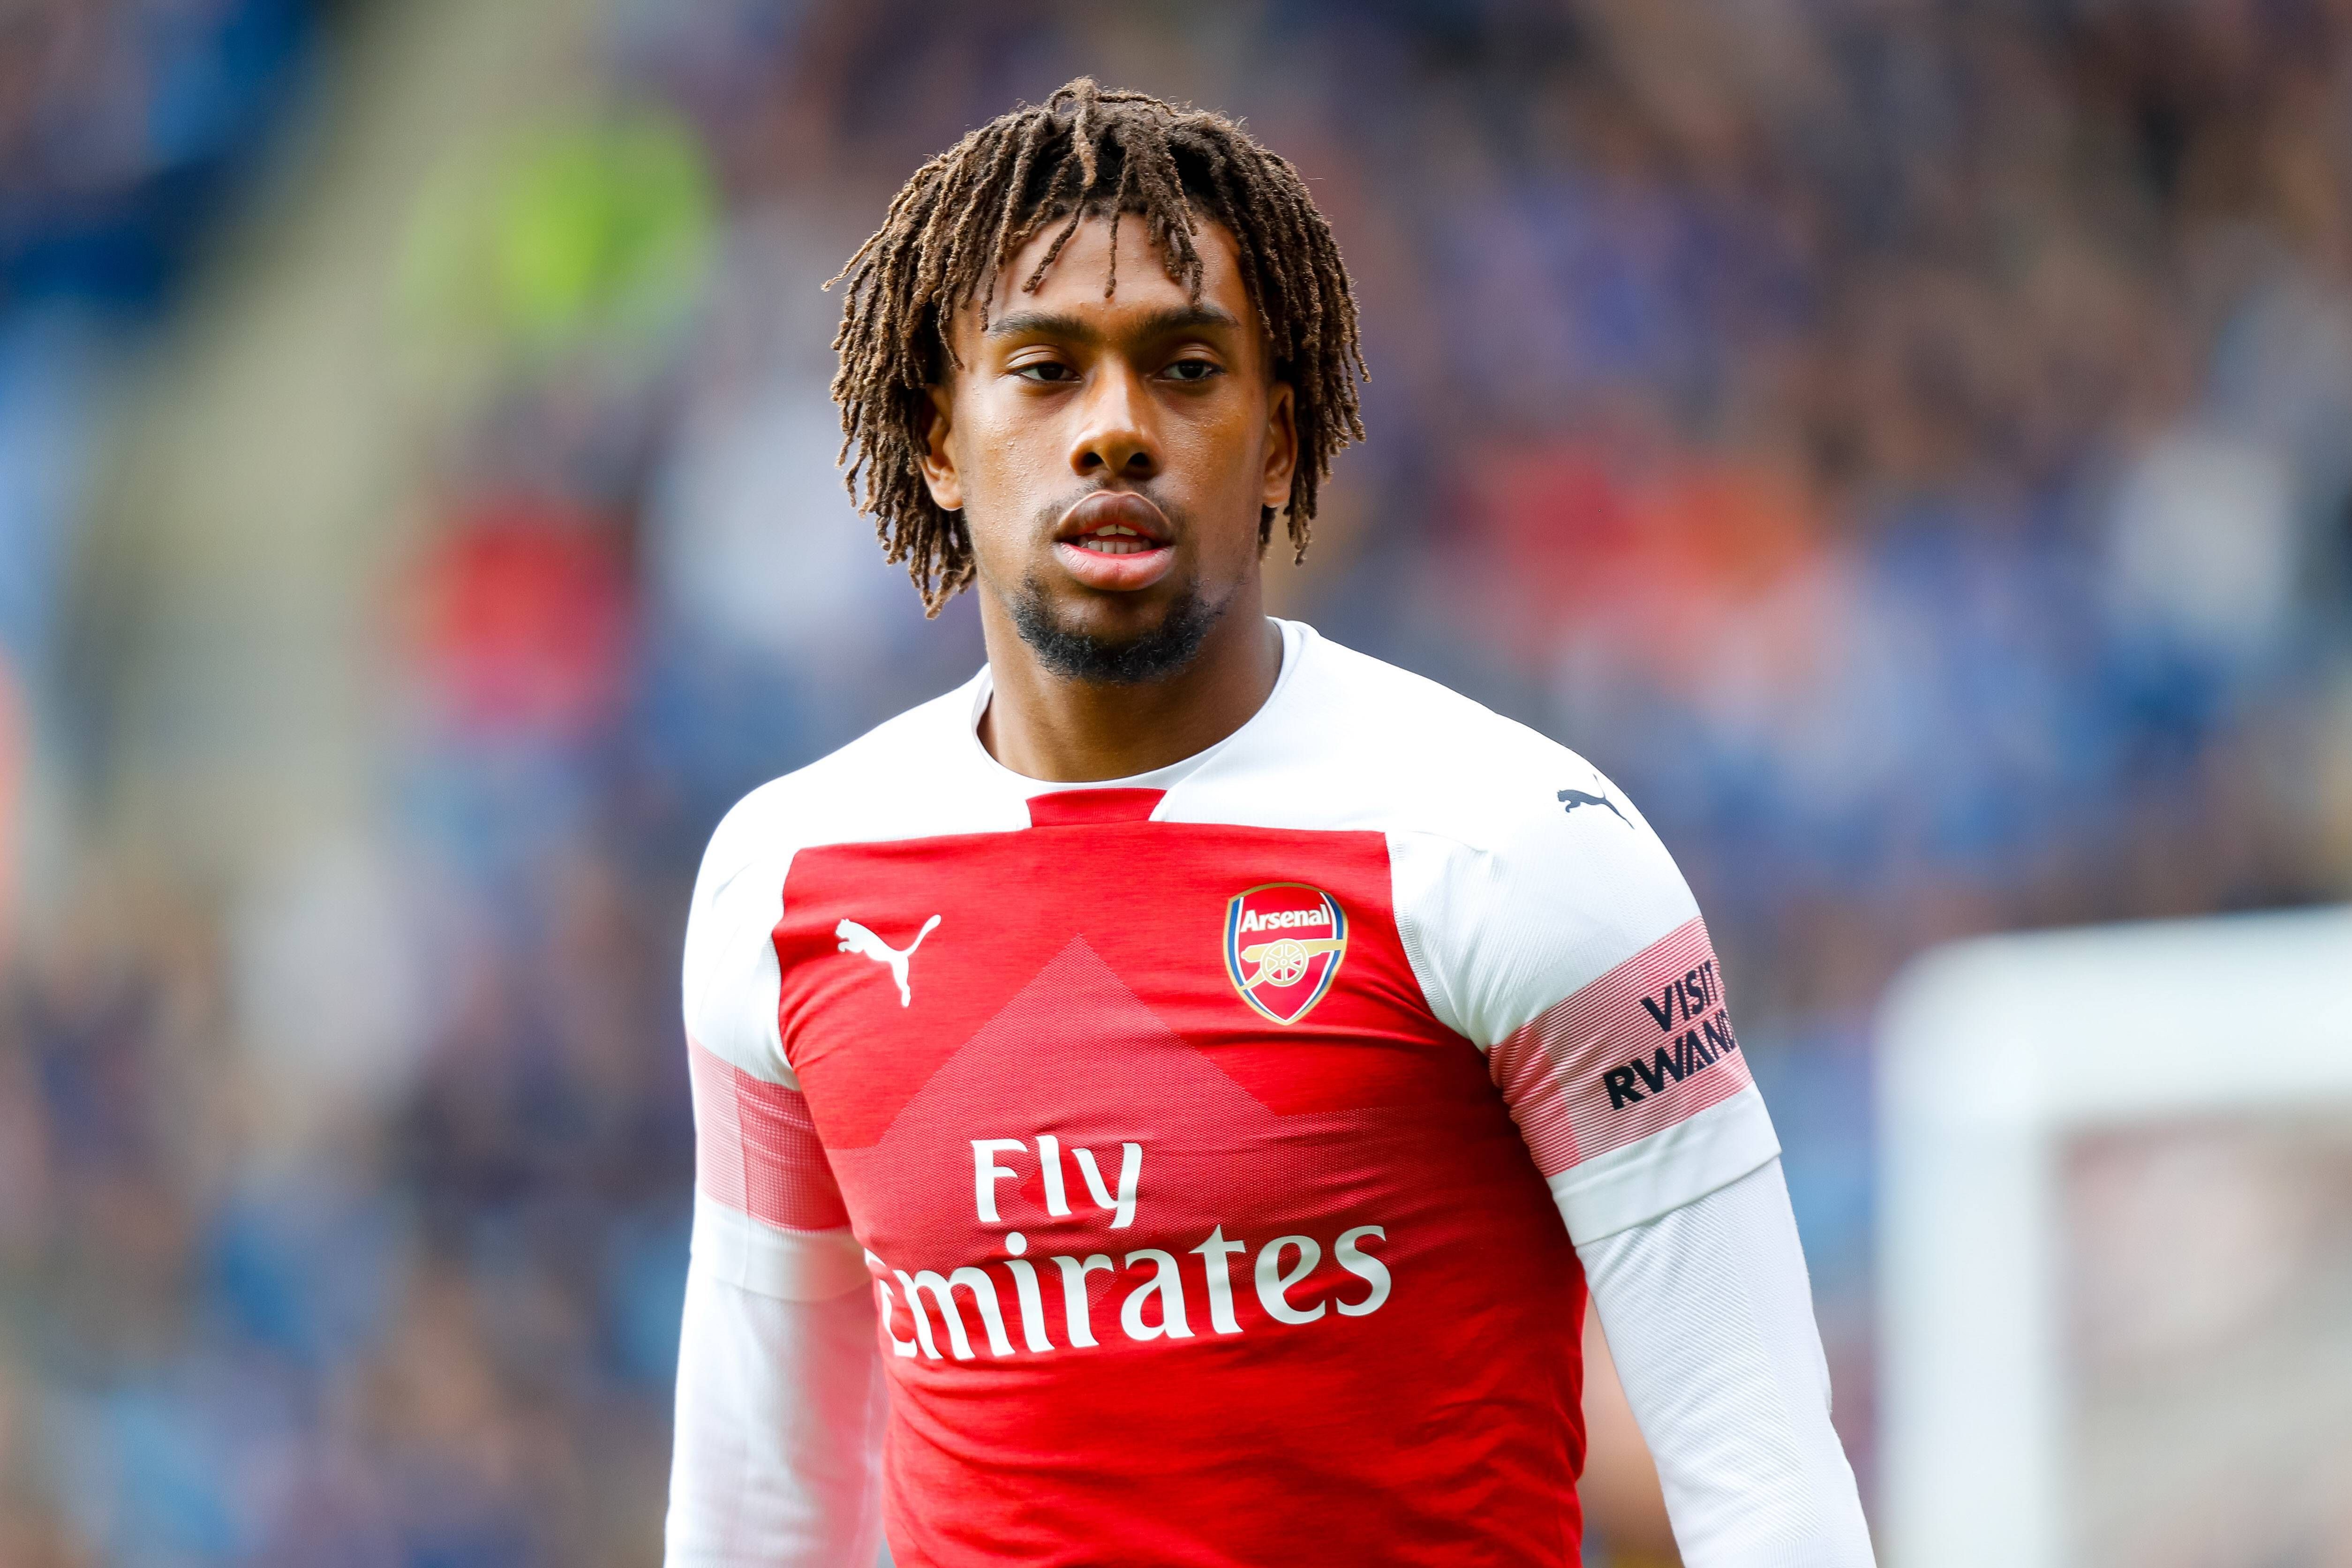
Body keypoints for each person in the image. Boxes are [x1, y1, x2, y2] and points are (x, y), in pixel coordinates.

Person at [664, 79, 1875, 1568]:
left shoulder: (1513, 847)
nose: (1114, 430)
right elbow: (755, 1504)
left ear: (1285, 443)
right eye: (1043, 370)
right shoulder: (787, 885)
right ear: (935, 437)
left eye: (1184, 368)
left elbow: (1759, 1473)